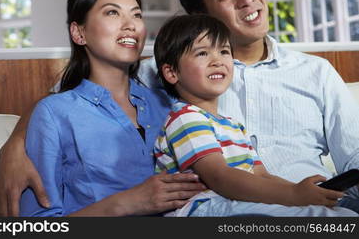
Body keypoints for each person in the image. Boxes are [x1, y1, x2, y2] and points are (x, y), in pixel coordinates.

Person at [0, 0, 359, 216]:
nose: (247, 0)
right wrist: (13, 146)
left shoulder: (315, 72)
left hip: (310, 200)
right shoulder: (166, 77)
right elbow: (64, 97)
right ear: (201, 14)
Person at [17, 0, 205, 216]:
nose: (131, 25)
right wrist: (126, 203)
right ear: (79, 33)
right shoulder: (54, 112)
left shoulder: (169, 104)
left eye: (136, 15)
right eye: (112, 13)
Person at [152, 14, 356, 217]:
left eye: (224, 51)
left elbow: (262, 175)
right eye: (202, 53)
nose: (217, 61)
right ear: (172, 73)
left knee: (340, 213)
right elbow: (219, 177)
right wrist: (293, 195)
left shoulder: (232, 125)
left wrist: (304, 192)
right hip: (204, 208)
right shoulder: (185, 118)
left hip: (235, 203)